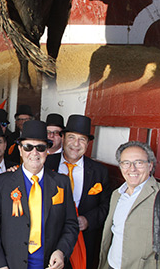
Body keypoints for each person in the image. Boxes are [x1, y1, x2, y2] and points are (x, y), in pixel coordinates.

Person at [0, 119, 79, 269]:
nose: (34, 153)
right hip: (11, 264)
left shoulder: (62, 182)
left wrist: (62, 251)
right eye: (28, 147)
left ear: (47, 151)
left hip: (49, 264)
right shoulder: (1, 182)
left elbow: (71, 224)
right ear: (20, 150)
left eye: (40, 147)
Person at [98, 140, 160, 269]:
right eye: (126, 163)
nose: (132, 169)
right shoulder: (117, 194)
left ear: (150, 166)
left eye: (139, 163)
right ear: (120, 166)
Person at [46, 114, 111, 269]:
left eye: (82, 139)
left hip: (84, 241)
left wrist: (88, 220)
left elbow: (106, 205)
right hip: (50, 240)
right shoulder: (46, 165)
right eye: (71, 137)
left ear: (88, 143)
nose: (76, 144)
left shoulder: (99, 171)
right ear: (63, 138)